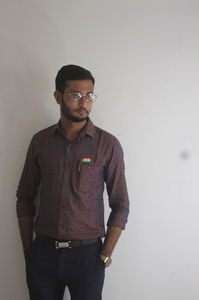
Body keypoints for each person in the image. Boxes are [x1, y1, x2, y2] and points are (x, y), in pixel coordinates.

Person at [16, 64, 129, 300]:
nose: (83, 102)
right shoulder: (40, 142)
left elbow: (121, 204)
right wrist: (29, 250)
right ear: (58, 97)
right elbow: (25, 196)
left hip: (88, 256)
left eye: (89, 96)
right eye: (75, 95)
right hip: (43, 254)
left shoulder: (107, 145)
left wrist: (105, 254)